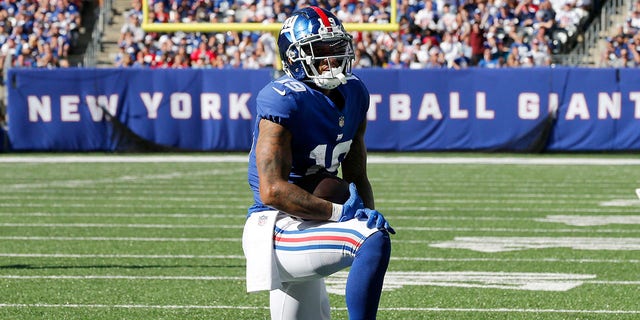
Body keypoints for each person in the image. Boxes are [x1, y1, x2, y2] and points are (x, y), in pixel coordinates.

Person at [243, 6, 395, 320]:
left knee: (369, 231)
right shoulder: (282, 99)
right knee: (371, 240)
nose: (332, 59)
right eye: (320, 51)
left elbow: (356, 174)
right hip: (278, 225)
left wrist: (364, 210)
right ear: (293, 57)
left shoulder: (354, 92)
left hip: (313, 224)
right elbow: (272, 191)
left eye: (337, 49)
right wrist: (340, 213)